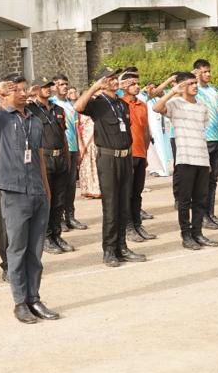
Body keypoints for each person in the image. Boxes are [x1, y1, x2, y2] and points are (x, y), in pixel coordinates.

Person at [0, 78, 60, 324]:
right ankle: (20, 302)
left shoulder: (35, 121)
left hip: (37, 192)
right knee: (17, 249)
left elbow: (39, 157)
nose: (22, 93)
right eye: (15, 90)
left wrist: (47, 191)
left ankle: (34, 298)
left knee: (35, 251)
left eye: (24, 89)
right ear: (5, 95)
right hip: (14, 191)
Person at [75, 70, 143, 265]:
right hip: (108, 159)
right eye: (109, 79)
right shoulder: (97, 103)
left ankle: (122, 247)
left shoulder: (122, 104)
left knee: (124, 205)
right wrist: (95, 87)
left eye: (115, 78)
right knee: (111, 206)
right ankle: (110, 250)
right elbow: (78, 106)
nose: (113, 81)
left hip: (125, 158)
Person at [154, 73, 218, 250]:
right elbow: (156, 108)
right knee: (184, 201)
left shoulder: (202, 106)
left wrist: (208, 160)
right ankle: (186, 235)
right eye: (190, 83)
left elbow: (202, 133)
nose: (195, 86)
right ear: (182, 86)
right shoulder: (175, 104)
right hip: (185, 159)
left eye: (195, 83)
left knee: (200, 199)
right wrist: (172, 91)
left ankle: (198, 233)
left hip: (202, 159)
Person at [28, 78, 74, 255]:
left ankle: (56, 234)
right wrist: (31, 92)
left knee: (59, 201)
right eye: (44, 87)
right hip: (44, 158)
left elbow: (63, 136)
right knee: (46, 200)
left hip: (60, 158)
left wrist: (68, 158)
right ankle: (46, 237)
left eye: (49, 86)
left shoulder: (58, 109)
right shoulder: (31, 110)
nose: (48, 89)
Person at [190, 59, 218, 228]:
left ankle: (210, 213)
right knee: (202, 181)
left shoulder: (213, 90)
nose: (208, 74)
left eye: (208, 71)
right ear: (197, 72)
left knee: (213, 180)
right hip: (202, 140)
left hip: (216, 139)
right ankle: (202, 216)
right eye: (204, 71)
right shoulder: (193, 90)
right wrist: (193, 78)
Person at [118, 69, 156, 244]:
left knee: (137, 192)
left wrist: (146, 154)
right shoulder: (120, 105)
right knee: (127, 192)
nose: (136, 86)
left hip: (141, 153)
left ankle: (137, 223)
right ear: (124, 86)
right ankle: (128, 226)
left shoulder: (142, 105)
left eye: (137, 83)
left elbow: (145, 131)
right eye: (132, 84)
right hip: (127, 154)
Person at [51, 76, 87, 231]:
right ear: (54, 87)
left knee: (71, 185)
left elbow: (75, 128)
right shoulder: (52, 103)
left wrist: (79, 149)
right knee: (59, 186)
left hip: (72, 149)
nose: (64, 87)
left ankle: (70, 216)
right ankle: (59, 219)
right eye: (61, 84)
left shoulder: (70, 105)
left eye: (66, 84)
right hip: (59, 150)